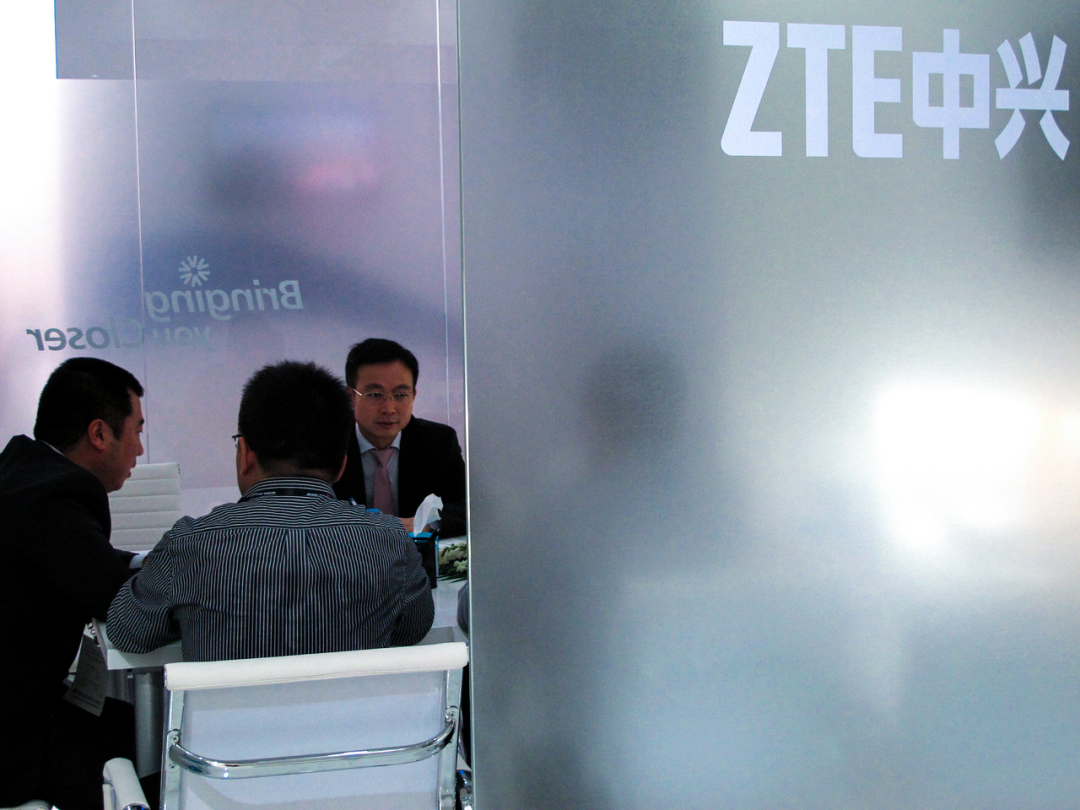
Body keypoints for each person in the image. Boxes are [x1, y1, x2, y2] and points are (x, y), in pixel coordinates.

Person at [107, 360, 433, 662]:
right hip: (354, 709)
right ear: (341, 465)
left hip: (230, 709)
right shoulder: (389, 542)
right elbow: (412, 630)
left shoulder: (189, 544)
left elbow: (128, 633)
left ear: (246, 453)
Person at [0, 357, 145, 810]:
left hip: (24, 705)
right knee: (150, 742)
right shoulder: (57, 494)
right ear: (99, 434)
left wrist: (143, 561)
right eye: (137, 430)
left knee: (124, 721)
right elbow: (118, 602)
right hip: (12, 743)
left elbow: (84, 559)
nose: (140, 449)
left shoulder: (22, 469)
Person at [333, 338, 467, 536]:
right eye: (375, 394)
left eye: (400, 395)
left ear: (413, 395)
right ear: (351, 397)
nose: (389, 408)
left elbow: (467, 506)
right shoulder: (328, 445)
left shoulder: (438, 441)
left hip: (418, 554)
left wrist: (427, 523)